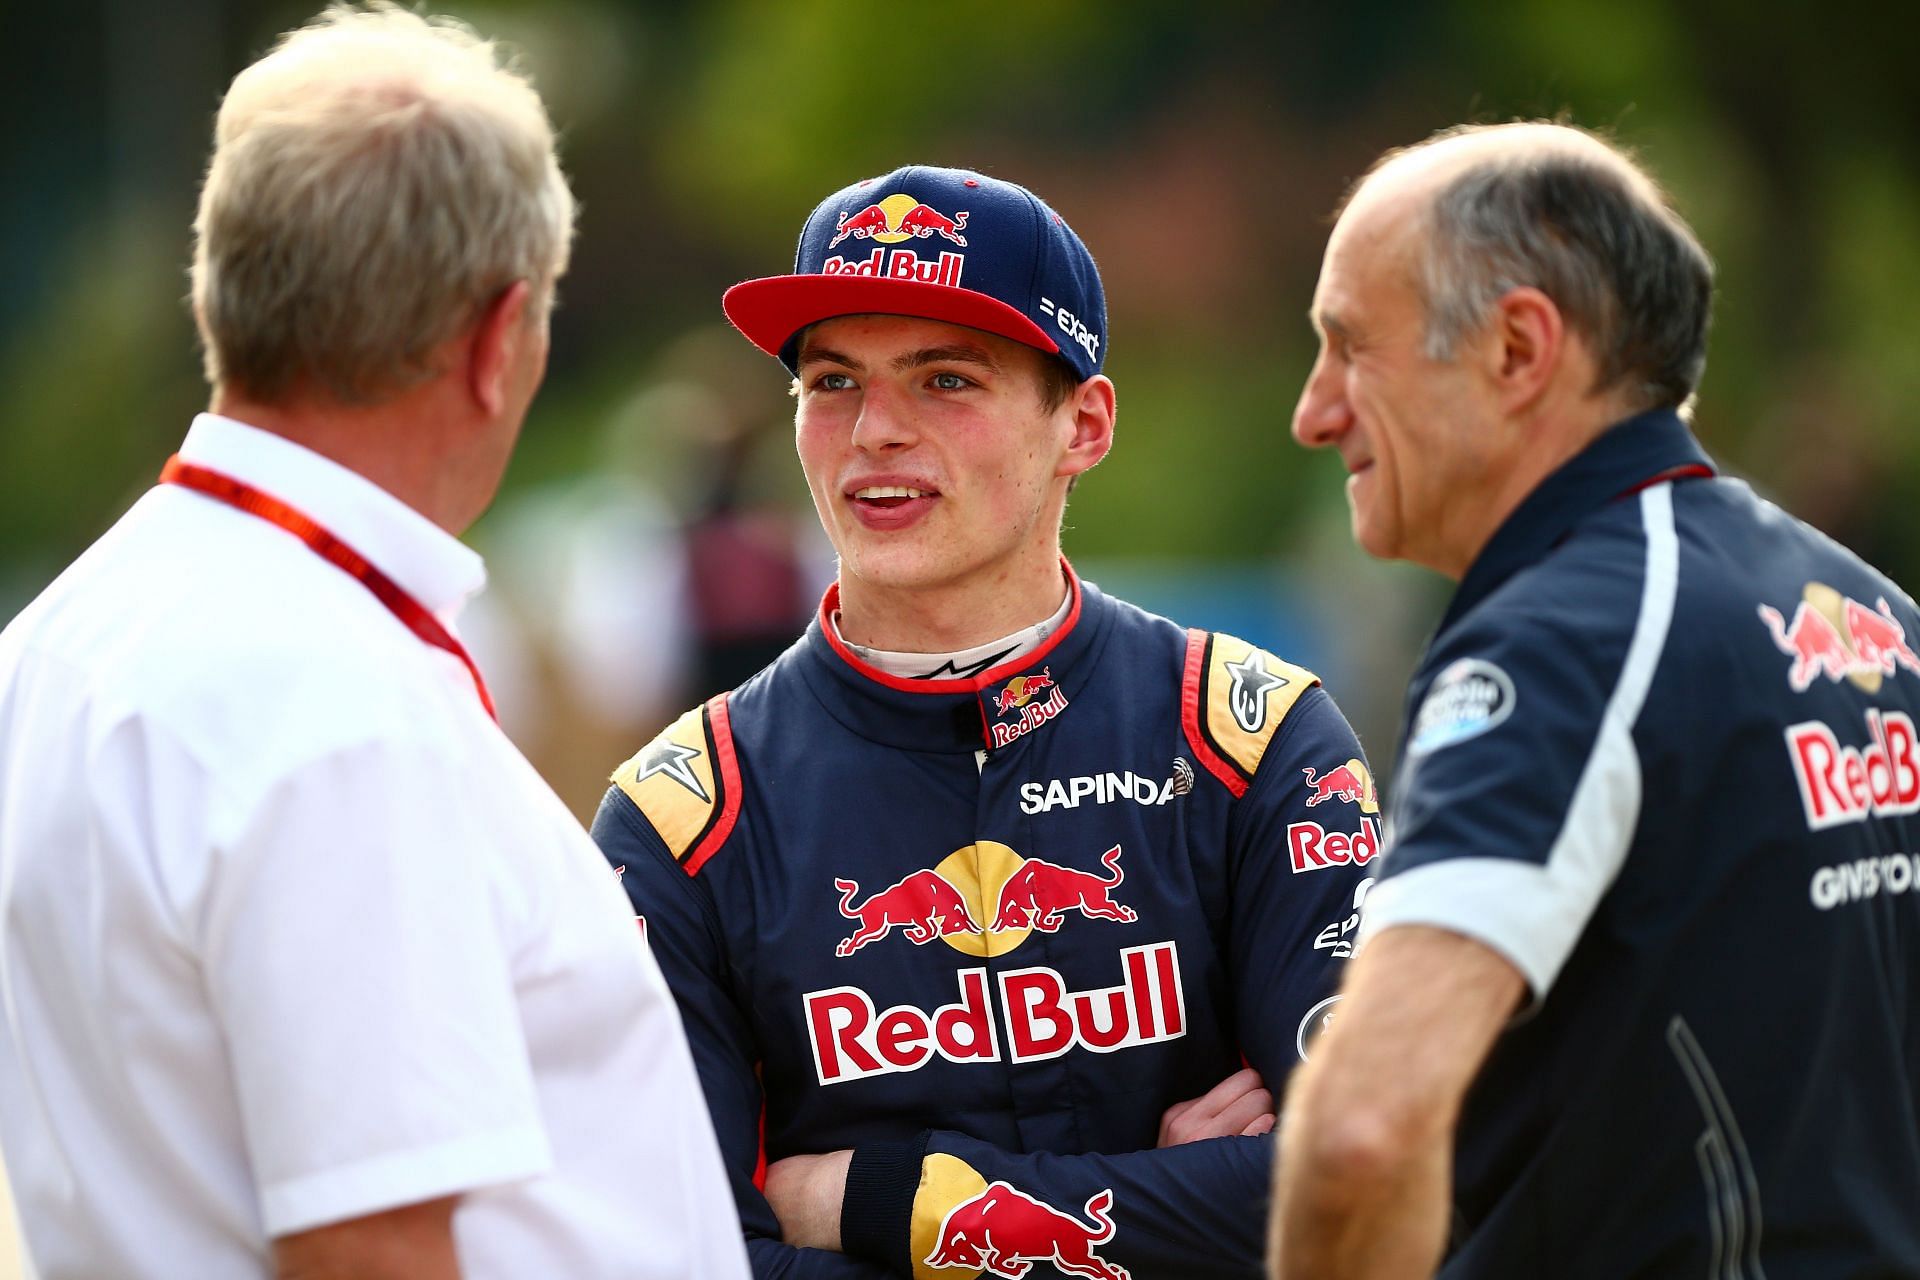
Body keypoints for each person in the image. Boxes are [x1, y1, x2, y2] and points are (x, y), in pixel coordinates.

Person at [0, 7, 747, 1279]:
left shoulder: (65, 634)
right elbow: (371, 1249)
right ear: (495, 337)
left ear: (219, 287)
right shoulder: (333, 696)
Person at [592, 164, 1378, 1279]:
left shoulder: (1253, 741)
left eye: (946, 378)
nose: (875, 432)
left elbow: (1357, 1188)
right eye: (832, 382)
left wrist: (875, 1197)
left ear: (1085, 424)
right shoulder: (684, 814)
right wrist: (1163, 1220)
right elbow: (671, 1258)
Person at [1271, 121, 1920, 1277]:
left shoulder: (1558, 642)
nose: (1313, 412)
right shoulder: (1869, 609)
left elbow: (1366, 1131)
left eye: (1348, 348)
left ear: (1519, 348)